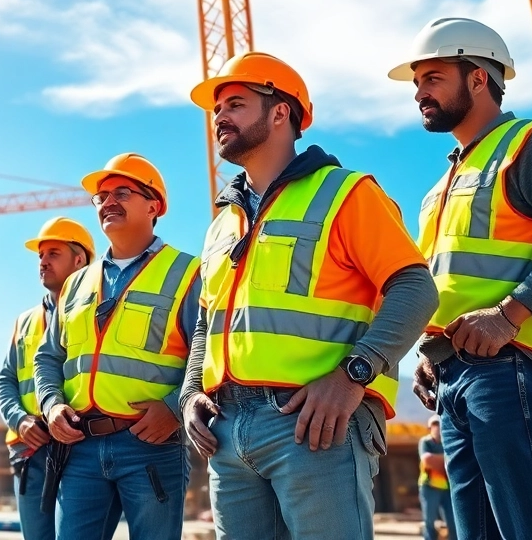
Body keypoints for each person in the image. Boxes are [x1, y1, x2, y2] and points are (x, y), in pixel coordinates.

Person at [179, 51, 437, 539]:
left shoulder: (345, 193)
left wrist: (353, 374)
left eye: (235, 104)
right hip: (227, 432)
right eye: (217, 109)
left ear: (281, 112)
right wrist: (191, 391)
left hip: (316, 425)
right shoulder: (222, 224)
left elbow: (415, 288)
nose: (220, 117)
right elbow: (206, 323)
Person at [394, 17, 532, 539]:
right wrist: (432, 350)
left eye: (433, 78)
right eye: (418, 82)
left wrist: (508, 314)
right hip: (459, 375)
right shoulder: (442, 187)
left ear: (479, 78)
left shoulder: (529, 145)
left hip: (521, 369)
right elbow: (449, 283)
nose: (420, 93)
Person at [34, 153, 200, 540]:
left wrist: (175, 407)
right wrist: (51, 404)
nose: (108, 202)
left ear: (153, 206)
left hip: (150, 445)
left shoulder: (189, 273)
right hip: (80, 447)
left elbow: (207, 352)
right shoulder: (76, 283)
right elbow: (48, 357)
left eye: (121, 193)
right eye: (101, 196)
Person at [0, 217, 96, 540]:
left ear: (79, 260)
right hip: (31, 449)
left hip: (80, 446)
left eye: (53, 253)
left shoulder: (97, 312)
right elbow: (6, 380)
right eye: (41, 255)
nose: (43, 262)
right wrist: (20, 420)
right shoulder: (25, 321)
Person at [419, 415, 455, 540]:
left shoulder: (447, 442)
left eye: (439, 425)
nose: (437, 428)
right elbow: (427, 460)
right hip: (429, 486)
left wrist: (438, 460)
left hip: (446, 487)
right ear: (429, 428)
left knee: (453, 521)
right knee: (429, 521)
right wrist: (446, 459)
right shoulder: (426, 442)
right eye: (434, 425)